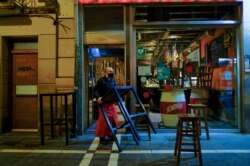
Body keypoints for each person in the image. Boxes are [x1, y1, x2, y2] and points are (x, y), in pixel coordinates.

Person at [94, 66, 118, 144]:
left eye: (112, 71)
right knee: (103, 122)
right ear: (105, 72)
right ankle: (102, 137)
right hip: (104, 104)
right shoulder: (100, 81)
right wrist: (98, 97)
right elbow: (96, 91)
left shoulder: (113, 81)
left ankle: (111, 134)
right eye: (110, 71)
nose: (112, 73)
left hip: (111, 103)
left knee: (114, 120)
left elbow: (115, 90)